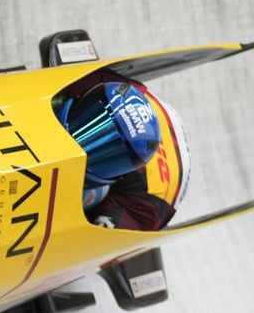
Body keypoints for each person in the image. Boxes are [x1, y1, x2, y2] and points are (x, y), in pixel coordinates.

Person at [54, 68, 191, 231]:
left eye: (107, 153)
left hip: (153, 200)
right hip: (142, 103)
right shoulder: (110, 88)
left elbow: (81, 247)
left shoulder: (141, 212)